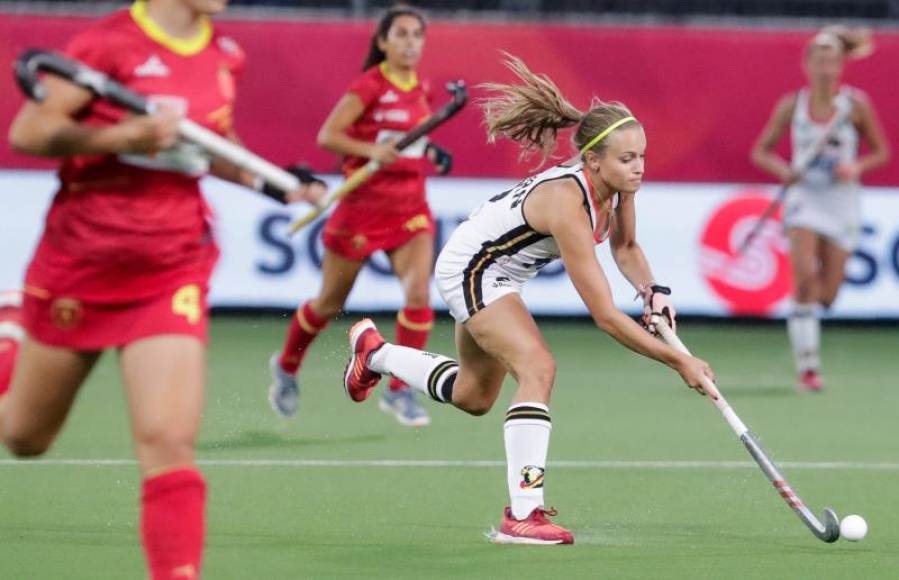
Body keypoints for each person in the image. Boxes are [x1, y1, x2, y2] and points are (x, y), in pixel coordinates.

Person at [2, 1, 322, 578]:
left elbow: (211, 142)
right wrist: (130, 132)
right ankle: (8, 341)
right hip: (82, 261)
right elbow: (30, 131)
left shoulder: (226, 54)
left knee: (169, 440)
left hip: (173, 264)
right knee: (24, 437)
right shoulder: (108, 44)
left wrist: (278, 187)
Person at [340, 55, 716, 545]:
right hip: (473, 268)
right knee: (538, 368)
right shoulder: (567, 203)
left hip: (498, 272)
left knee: (474, 397)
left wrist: (653, 290)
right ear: (593, 160)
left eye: (642, 156)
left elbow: (626, 249)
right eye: (628, 159)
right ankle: (524, 513)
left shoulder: (619, 187)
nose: (638, 168)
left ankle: (376, 353)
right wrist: (677, 361)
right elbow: (604, 315)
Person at [268, 4, 453, 427]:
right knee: (327, 304)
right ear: (383, 42)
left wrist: (430, 150)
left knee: (419, 297)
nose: (409, 43)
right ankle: (286, 367)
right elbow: (329, 136)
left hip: (409, 208)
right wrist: (373, 152)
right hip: (361, 210)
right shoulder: (369, 85)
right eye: (401, 34)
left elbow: (409, 138)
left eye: (416, 35)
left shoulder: (421, 88)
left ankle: (401, 390)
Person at [750, 26, 890, 392]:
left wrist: (855, 167)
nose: (827, 69)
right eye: (820, 61)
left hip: (841, 201)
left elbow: (881, 151)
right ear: (807, 64)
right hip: (805, 200)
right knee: (803, 281)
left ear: (842, 65)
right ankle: (808, 366)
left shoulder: (855, 105)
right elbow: (761, 150)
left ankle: (811, 329)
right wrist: (786, 172)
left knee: (827, 294)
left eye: (833, 62)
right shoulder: (792, 105)